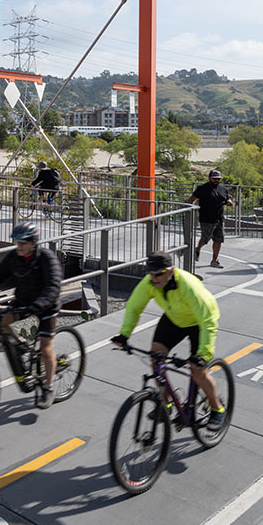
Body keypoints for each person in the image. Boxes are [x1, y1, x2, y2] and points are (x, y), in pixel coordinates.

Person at [112, 251, 226, 429]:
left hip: (199, 322)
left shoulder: (188, 287)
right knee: (156, 358)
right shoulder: (150, 283)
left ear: (171, 271)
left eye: (159, 273)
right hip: (174, 319)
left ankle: (217, 408)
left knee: (198, 370)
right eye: (150, 273)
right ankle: (165, 405)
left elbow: (208, 321)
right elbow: (134, 307)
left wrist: (203, 355)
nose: (154, 277)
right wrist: (124, 334)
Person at [0, 221, 63, 408]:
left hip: (46, 305)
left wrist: (38, 305)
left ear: (33, 242)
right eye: (16, 242)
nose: (18, 246)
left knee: (46, 346)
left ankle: (48, 387)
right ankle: (21, 344)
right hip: (23, 301)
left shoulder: (46, 257)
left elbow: (54, 286)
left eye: (22, 243)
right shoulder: (14, 257)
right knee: (2, 322)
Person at [189, 169, 233, 268]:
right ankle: (197, 249)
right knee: (205, 239)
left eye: (218, 179)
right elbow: (191, 199)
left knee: (218, 240)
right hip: (206, 218)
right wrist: (186, 209)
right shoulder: (202, 188)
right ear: (209, 178)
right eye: (214, 179)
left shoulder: (223, 188)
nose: (216, 180)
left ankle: (214, 260)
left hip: (219, 218)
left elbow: (226, 199)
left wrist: (229, 202)